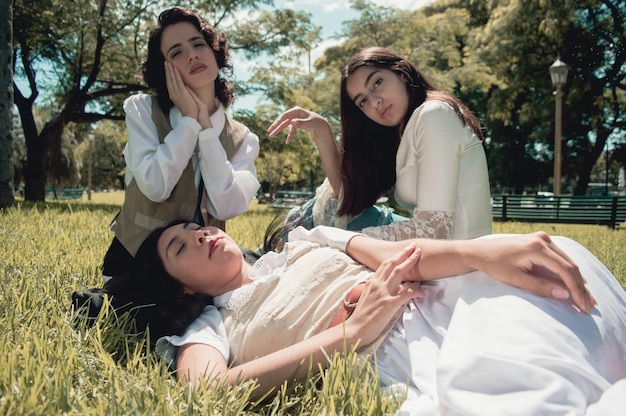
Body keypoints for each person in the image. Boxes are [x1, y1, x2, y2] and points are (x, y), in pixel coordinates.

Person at [115, 220, 626, 415]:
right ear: (180, 285)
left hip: (447, 299)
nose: (201, 235)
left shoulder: (305, 240)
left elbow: (403, 255)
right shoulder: (212, 326)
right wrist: (351, 331)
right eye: (180, 246)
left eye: (194, 226)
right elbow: (206, 390)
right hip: (399, 357)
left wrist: (479, 252)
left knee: (549, 261)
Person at [101, 6, 260, 285]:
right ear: (165, 70)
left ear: (215, 53)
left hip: (205, 268)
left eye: (199, 44)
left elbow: (225, 207)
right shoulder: (142, 110)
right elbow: (155, 185)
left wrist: (207, 132)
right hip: (139, 256)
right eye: (176, 52)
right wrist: (189, 122)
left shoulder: (243, 138)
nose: (192, 55)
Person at [268, 46, 491, 240]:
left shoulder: (434, 114)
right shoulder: (405, 131)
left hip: (456, 269)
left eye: (377, 82)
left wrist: (340, 240)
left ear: (402, 73)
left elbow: (434, 232)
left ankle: (256, 263)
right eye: (362, 101)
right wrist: (322, 131)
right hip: (436, 259)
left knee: (316, 223)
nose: (375, 102)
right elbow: (349, 200)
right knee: (324, 206)